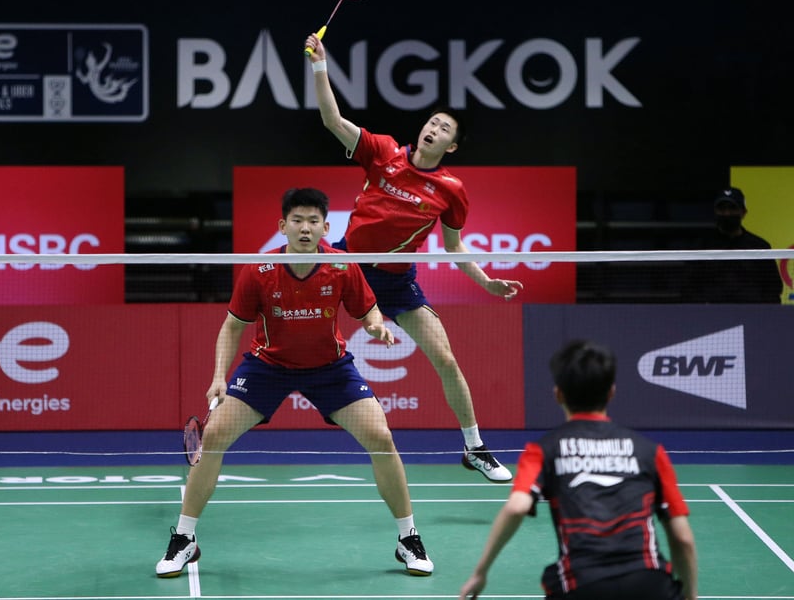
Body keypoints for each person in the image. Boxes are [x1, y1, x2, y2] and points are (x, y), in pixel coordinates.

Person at [155, 187, 433, 578]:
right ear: (282, 226)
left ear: (325, 227)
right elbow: (233, 326)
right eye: (298, 221)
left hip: (329, 368)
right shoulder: (258, 269)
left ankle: (409, 539)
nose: (306, 228)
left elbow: (368, 310)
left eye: (313, 221)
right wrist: (219, 376)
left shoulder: (341, 266)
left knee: (382, 438)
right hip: (268, 366)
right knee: (214, 436)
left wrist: (376, 327)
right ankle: (184, 539)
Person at [305, 34, 524, 483]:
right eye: (433, 121)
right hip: (349, 264)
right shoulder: (383, 151)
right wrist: (319, 67)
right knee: (296, 324)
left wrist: (488, 283)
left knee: (445, 358)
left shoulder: (451, 190)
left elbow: (454, 247)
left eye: (445, 128)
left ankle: (475, 447)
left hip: (397, 279)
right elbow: (331, 119)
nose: (434, 128)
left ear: (452, 146)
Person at [458, 340, 698, 600]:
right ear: (612, 393)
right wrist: (691, 596)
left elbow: (516, 507)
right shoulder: (650, 451)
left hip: (582, 583)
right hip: (649, 583)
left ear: (558, 394)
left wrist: (481, 572)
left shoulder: (543, 450)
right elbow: (683, 540)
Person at [681, 186, 782, 303]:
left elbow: (773, 287)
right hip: (711, 314)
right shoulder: (701, 246)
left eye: (732, 208)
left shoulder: (759, 246)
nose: (727, 213)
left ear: (743, 212)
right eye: (722, 209)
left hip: (751, 314)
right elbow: (687, 287)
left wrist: (760, 311)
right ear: (715, 212)